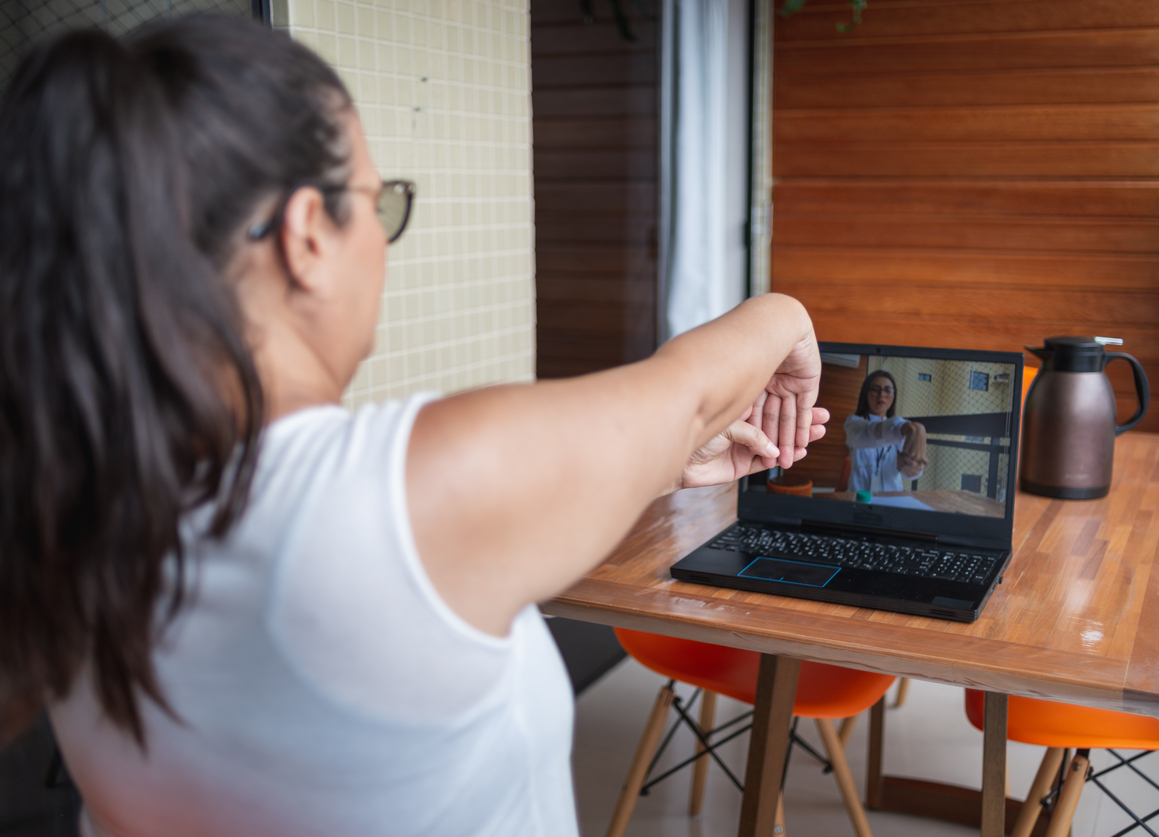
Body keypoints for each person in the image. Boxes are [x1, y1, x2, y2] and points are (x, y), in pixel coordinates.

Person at [0, 15, 830, 837]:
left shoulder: (61, 497)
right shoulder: (397, 494)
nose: (386, 241)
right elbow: (682, 392)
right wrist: (786, 314)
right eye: (379, 203)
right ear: (306, 239)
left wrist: (671, 455)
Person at [843, 370, 927, 493]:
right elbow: (870, 431)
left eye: (887, 390)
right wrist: (905, 428)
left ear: (893, 396)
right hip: (859, 497)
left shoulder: (902, 429)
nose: (881, 395)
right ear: (866, 393)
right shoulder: (853, 423)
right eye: (875, 389)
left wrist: (914, 469)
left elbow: (908, 474)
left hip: (892, 499)